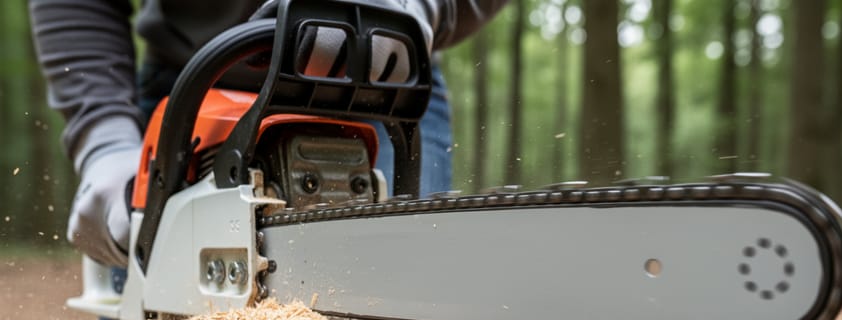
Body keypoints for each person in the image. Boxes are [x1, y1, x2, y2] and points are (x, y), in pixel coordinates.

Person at [28, 0, 509, 271]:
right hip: (189, 79)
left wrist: (418, 5)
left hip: (380, 70)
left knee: (401, 300)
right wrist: (106, 139)